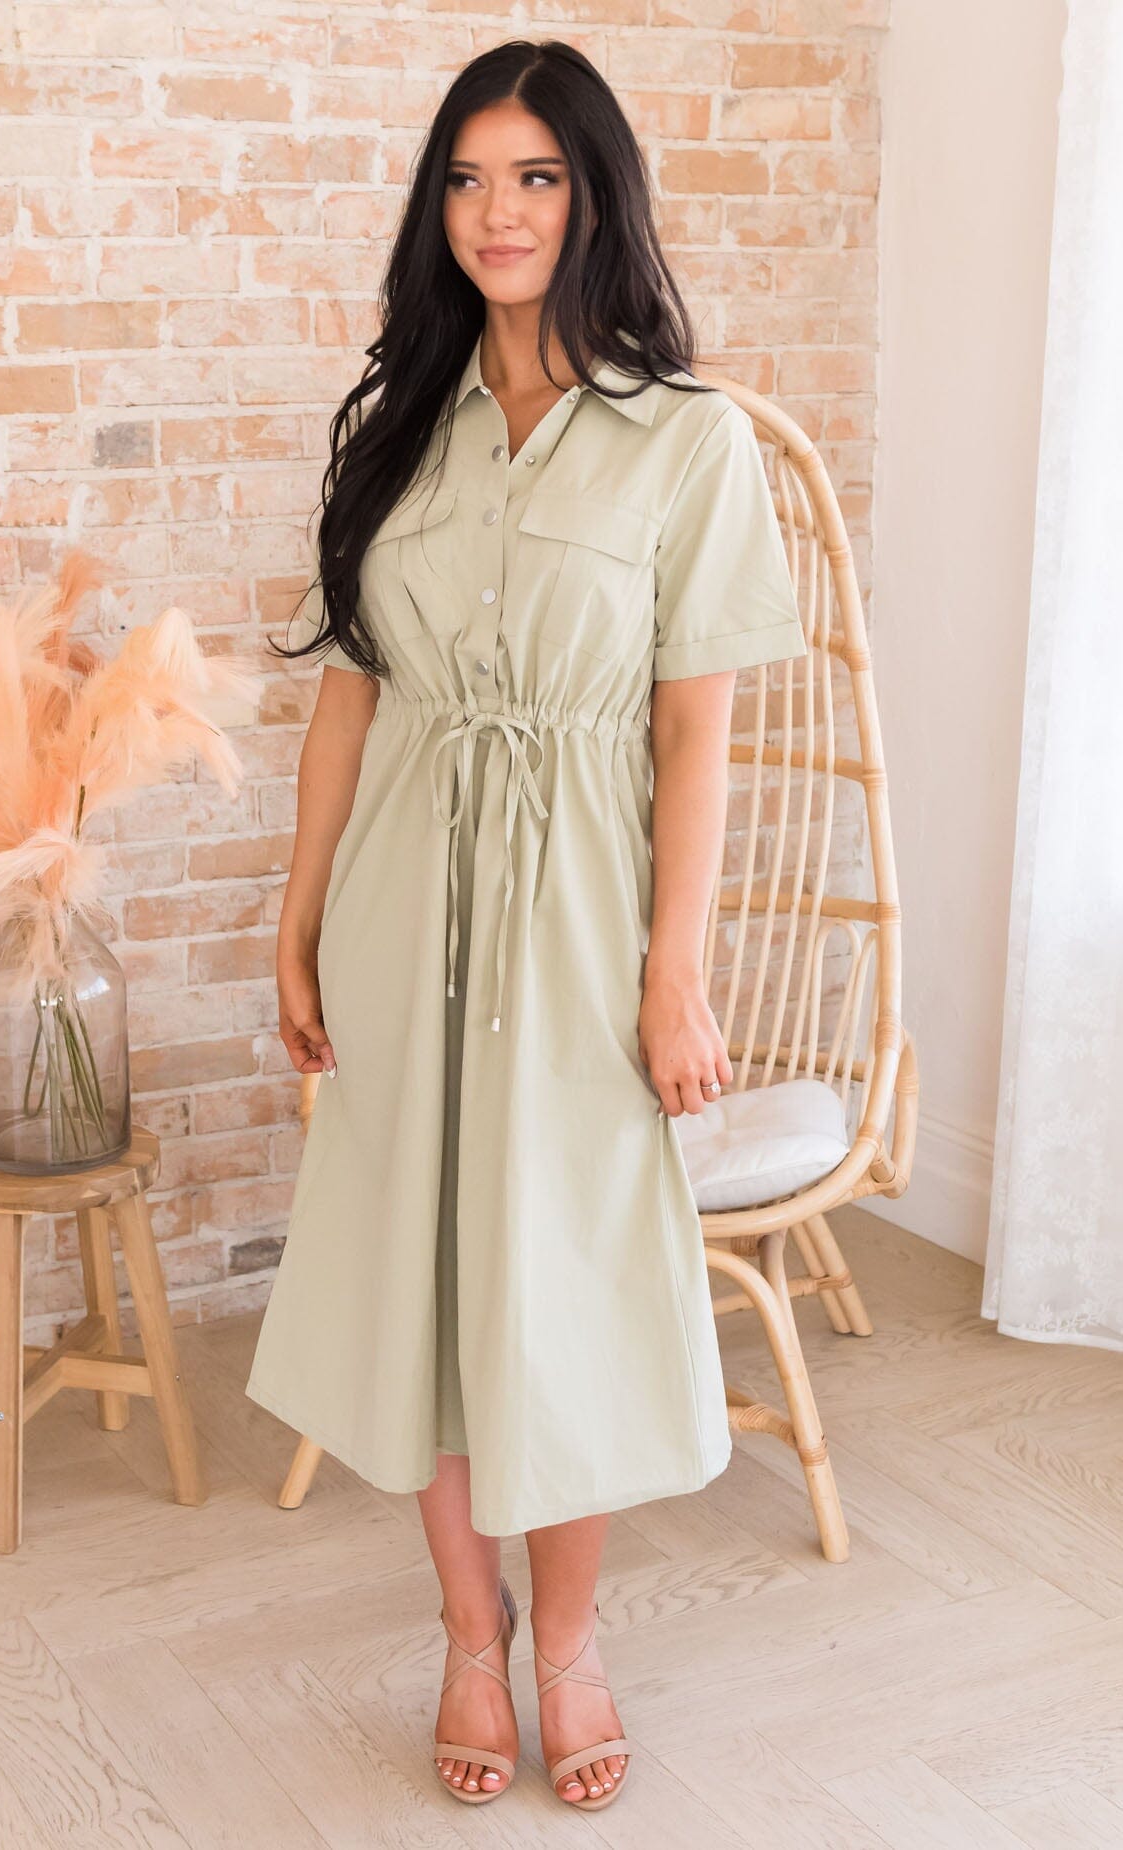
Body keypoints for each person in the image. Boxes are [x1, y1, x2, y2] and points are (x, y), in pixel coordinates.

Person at [244, 37, 808, 1814]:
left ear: (595, 196)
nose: (501, 213)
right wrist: (298, 918)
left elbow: (697, 731)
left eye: (538, 177)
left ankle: (569, 1644)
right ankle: (466, 1634)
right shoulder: (396, 432)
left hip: (580, 918)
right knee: (417, 1274)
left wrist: (674, 971)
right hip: (402, 904)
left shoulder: (688, 441)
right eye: (471, 179)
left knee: (561, 1286)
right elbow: (351, 696)